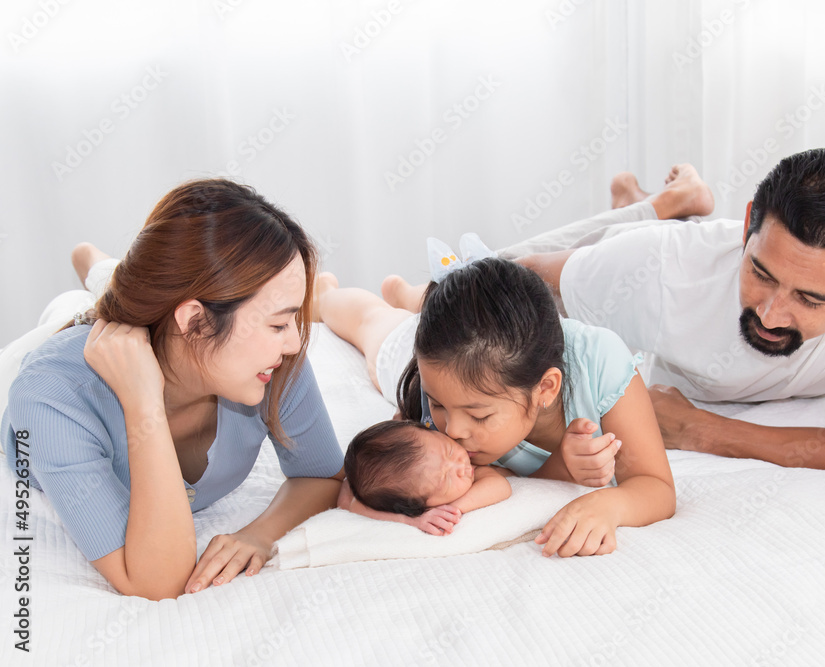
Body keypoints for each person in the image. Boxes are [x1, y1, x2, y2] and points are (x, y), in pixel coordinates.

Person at [2, 179, 346, 600]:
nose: (294, 342)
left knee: (124, 295)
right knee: (71, 310)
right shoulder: (49, 396)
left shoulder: (272, 360)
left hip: (160, 324)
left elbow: (322, 473)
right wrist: (143, 404)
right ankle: (92, 267)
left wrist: (259, 534)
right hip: (43, 354)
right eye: (277, 324)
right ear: (197, 321)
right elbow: (156, 581)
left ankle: (100, 269)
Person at [515, 149, 825, 475]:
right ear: (747, 226)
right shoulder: (660, 269)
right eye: (761, 273)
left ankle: (663, 201)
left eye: (810, 299)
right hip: (650, 255)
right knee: (476, 266)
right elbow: (521, 273)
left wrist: (700, 429)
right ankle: (665, 203)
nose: (772, 316)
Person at [312, 256, 676, 558]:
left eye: (479, 415)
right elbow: (351, 488)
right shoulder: (441, 386)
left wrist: (609, 506)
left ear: (546, 388)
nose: (452, 431)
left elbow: (656, 486)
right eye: (438, 405)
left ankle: (405, 293)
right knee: (374, 325)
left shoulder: (602, 364)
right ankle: (328, 293)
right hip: (436, 355)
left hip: (485, 355)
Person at [339, 420, 512, 535]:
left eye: (449, 451)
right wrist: (412, 519)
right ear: (423, 505)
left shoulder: (451, 436)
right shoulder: (412, 483)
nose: (461, 466)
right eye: (446, 479)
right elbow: (347, 500)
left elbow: (500, 486)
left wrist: (452, 508)